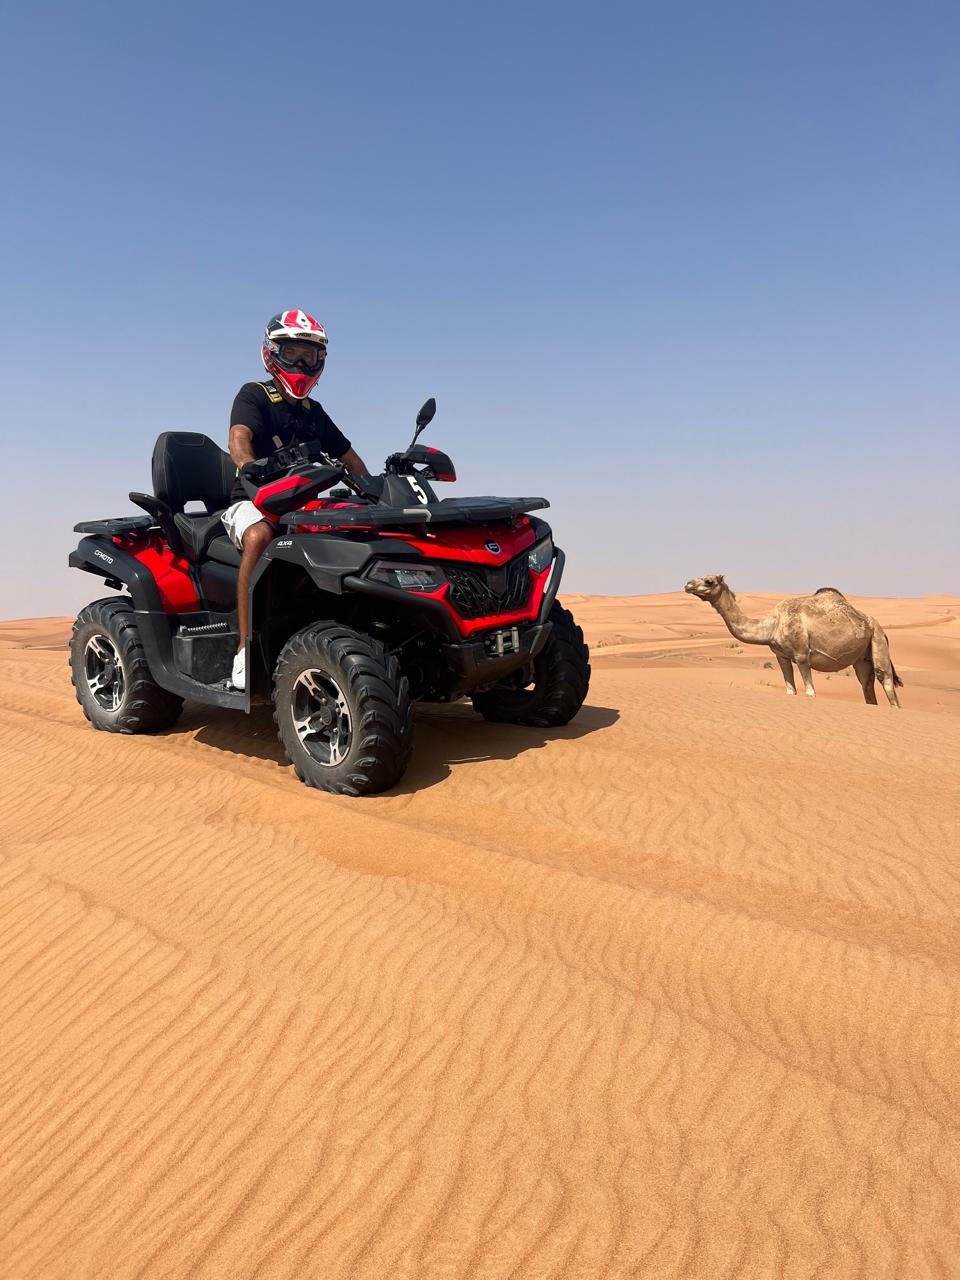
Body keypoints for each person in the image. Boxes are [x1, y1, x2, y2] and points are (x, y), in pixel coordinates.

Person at [221, 310, 369, 690]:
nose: (304, 364)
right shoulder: (254, 395)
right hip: (254, 501)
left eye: (311, 356)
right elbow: (239, 437)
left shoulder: (313, 413)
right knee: (257, 536)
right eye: (295, 354)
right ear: (273, 354)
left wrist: (375, 487)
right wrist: (247, 465)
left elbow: (350, 458)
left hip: (299, 506)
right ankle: (244, 648)